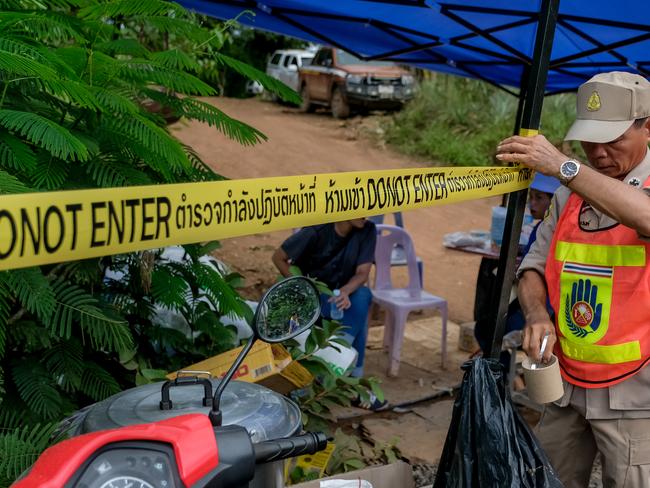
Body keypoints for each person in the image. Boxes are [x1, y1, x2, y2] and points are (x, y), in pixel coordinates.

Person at [496, 71, 650, 487]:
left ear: (647, 126)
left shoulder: (576, 178)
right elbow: (532, 266)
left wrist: (565, 165)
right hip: (565, 383)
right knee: (549, 478)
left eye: (613, 139)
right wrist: (534, 315)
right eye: (589, 140)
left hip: (636, 393)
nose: (598, 152)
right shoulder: (569, 195)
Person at [473, 172, 560, 371]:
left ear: (555, 203)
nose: (532, 203)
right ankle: (514, 379)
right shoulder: (539, 229)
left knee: (487, 330)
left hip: (544, 310)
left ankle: (513, 382)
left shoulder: (544, 231)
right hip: (536, 308)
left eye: (539, 198)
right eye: (531, 196)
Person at [272, 218, 376, 379]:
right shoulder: (316, 229)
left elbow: (363, 273)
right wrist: (305, 288)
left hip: (340, 295)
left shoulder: (367, 229)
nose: (366, 214)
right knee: (359, 318)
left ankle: (337, 362)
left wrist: (345, 291)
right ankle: (349, 375)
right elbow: (278, 257)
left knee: (363, 295)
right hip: (313, 295)